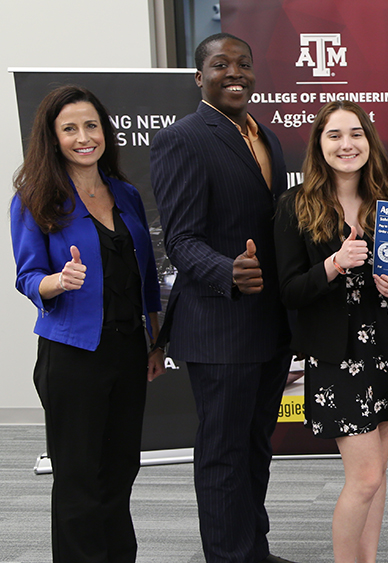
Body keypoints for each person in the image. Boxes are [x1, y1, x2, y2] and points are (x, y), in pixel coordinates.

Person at [149, 32, 293, 563]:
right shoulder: (184, 138)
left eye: (244, 64)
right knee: (222, 455)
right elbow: (180, 239)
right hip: (220, 326)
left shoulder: (268, 139)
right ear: (199, 77)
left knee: (256, 447)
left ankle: (252, 548)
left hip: (270, 326)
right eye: (220, 64)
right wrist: (226, 270)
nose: (234, 72)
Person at [10, 85, 164, 562]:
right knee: (80, 481)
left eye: (91, 125)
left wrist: (155, 342)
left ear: (104, 132)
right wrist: (59, 280)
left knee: (120, 471)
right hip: (73, 355)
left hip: (127, 350)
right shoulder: (35, 198)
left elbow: (147, 276)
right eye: (70, 128)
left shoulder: (126, 194)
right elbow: (27, 278)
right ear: (53, 138)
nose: (83, 137)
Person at [273, 100, 388, 562]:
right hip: (338, 357)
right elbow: (289, 291)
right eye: (334, 135)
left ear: (369, 142)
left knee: (377, 473)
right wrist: (334, 265)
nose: (346, 144)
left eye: (355, 134)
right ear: (319, 144)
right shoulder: (295, 205)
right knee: (364, 478)